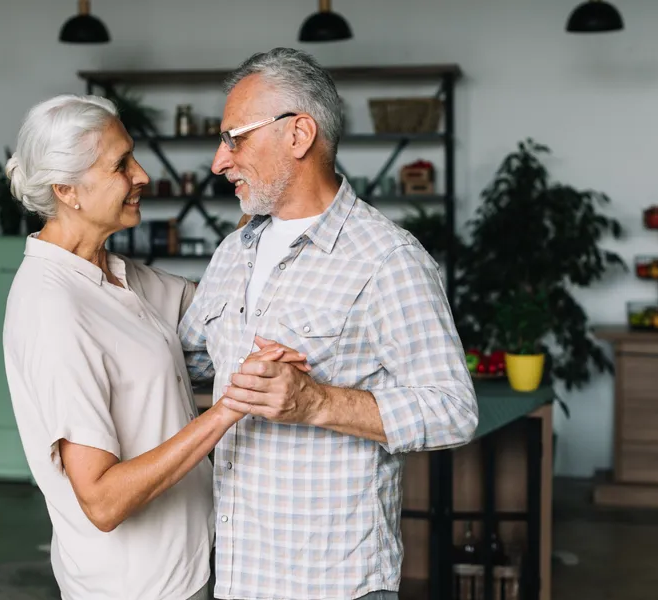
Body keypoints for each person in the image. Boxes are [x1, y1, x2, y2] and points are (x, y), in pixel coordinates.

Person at [178, 48, 479, 600]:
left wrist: (316, 401)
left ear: (298, 136)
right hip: (237, 575)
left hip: (333, 582)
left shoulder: (387, 258)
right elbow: (192, 363)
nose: (219, 162)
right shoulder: (231, 252)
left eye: (234, 138)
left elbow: (453, 410)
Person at [1, 94, 308, 600]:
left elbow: (220, 295)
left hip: (193, 564)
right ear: (67, 190)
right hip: (138, 587)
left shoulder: (115, 275)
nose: (141, 175)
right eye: (122, 164)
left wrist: (260, 195)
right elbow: (101, 500)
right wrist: (228, 407)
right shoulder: (52, 306)